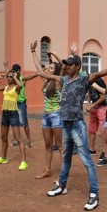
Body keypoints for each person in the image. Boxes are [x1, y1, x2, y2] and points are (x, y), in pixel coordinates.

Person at [40, 54, 107, 211]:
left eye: (71, 65)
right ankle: (62, 185)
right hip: (65, 125)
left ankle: (94, 195)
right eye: (66, 65)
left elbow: (99, 74)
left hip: (77, 126)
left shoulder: (84, 80)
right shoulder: (64, 80)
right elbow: (48, 74)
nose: (67, 67)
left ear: (78, 67)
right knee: (65, 158)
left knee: (87, 161)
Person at [31, 41, 63, 179]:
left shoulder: (58, 82)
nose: (47, 68)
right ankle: (47, 169)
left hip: (57, 116)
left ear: (55, 71)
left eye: (50, 67)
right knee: (48, 145)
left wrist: (55, 55)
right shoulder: (45, 81)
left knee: (60, 146)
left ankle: (64, 172)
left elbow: (64, 67)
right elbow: (38, 66)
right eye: (48, 67)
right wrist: (33, 51)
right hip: (46, 117)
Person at [0, 70, 28, 171]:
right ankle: (3, 157)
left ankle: (24, 161)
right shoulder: (5, 88)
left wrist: (15, 77)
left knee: (18, 138)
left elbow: (20, 85)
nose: (8, 78)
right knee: (3, 137)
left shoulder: (16, 88)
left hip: (13, 114)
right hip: (5, 113)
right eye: (7, 76)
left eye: (10, 76)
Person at [11, 63, 37, 148]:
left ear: (19, 71)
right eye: (13, 71)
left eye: (16, 71)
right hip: (13, 103)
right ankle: (16, 139)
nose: (14, 73)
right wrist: (5, 67)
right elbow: (7, 74)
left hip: (21, 103)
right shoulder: (12, 79)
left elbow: (31, 76)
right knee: (14, 122)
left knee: (24, 122)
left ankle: (29, 140)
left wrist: (39, 72)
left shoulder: (22, 78)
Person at [86, 77, 107, 161]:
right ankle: (92, 149)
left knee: (103, 130)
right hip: (94, 108)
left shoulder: (99, 81)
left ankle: (104, 151)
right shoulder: (88, 82)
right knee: (91, 129)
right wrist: (88, 102)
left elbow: (103, 97)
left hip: (102, 107)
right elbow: (89, 93)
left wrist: (92, 105)